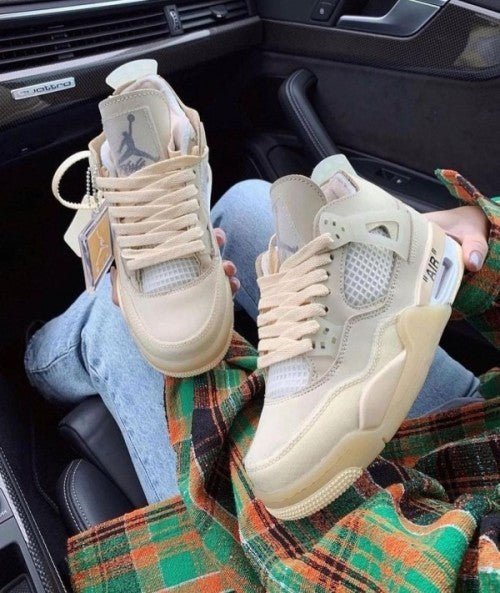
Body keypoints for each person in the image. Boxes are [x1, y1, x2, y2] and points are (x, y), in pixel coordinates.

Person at [24, 179, 490, 505]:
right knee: (248, 205)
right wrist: (483, 232)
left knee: (121, 322)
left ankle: (30, 364)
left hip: (420, 530)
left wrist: (207, 358)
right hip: (478, 429)